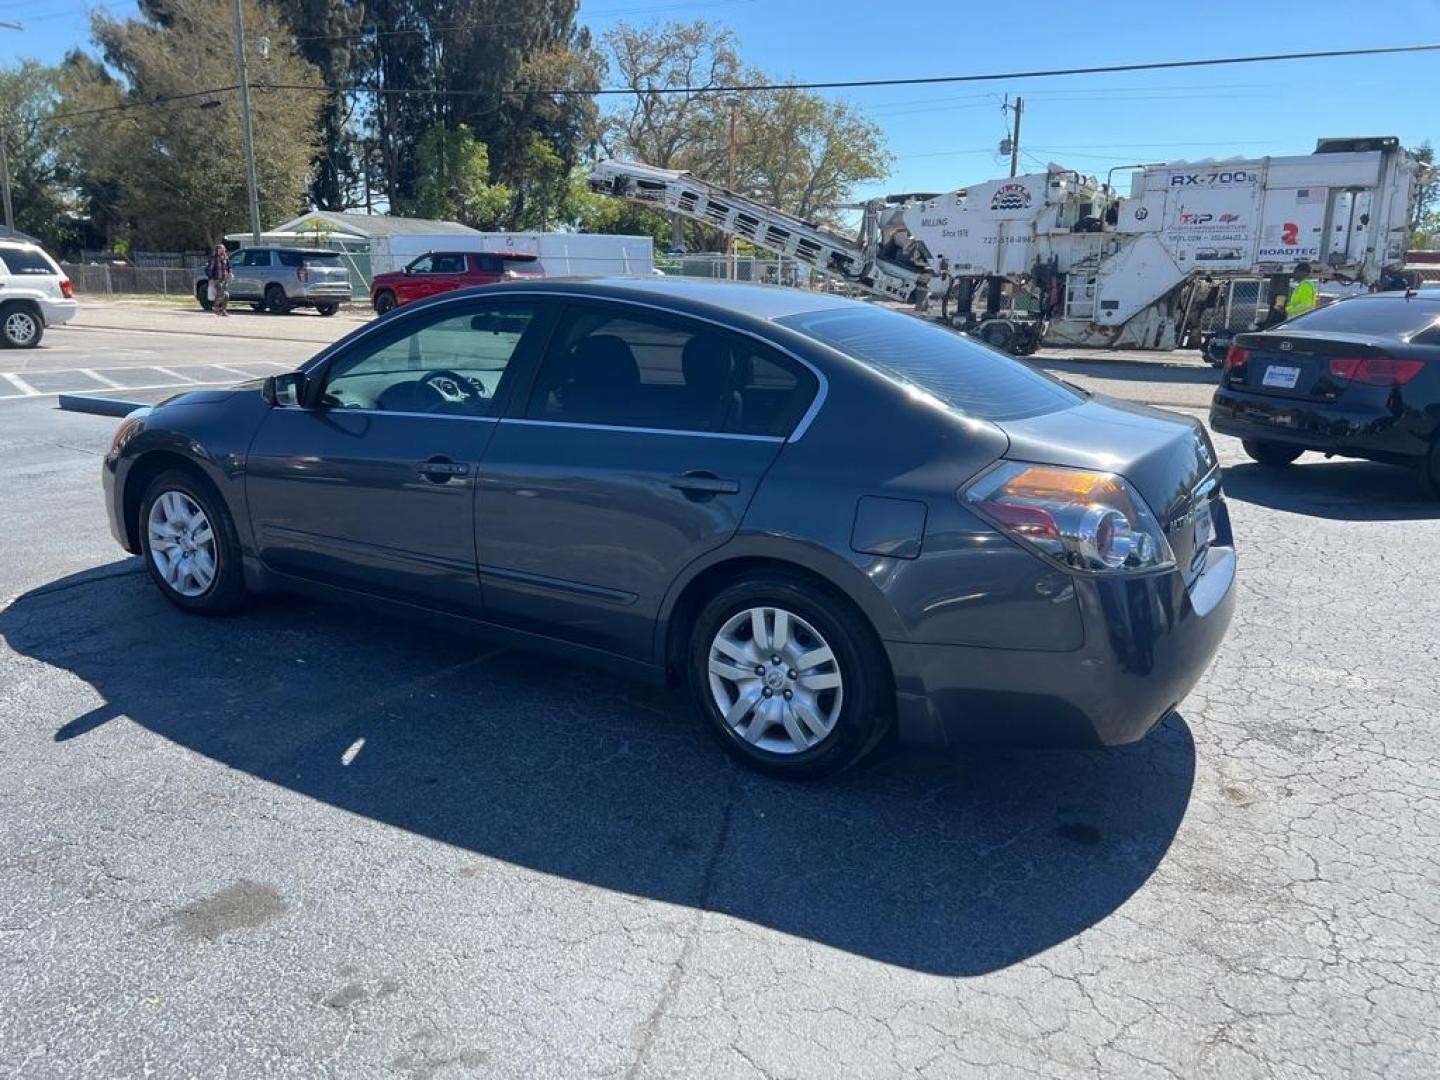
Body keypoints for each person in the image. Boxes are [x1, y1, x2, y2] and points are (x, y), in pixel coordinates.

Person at [206, 243, 232, 317]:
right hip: (216, 279)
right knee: (220, 293)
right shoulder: (214, 258)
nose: (221, 250)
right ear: (217, 250)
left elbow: (229, 266)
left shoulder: (226, 258)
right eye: (219, 249)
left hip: (224, 279)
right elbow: (209, 269)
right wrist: (211, 278)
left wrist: (230, 273)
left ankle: (223, 310)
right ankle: (216, 307)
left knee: (226, 295)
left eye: (222, 248)